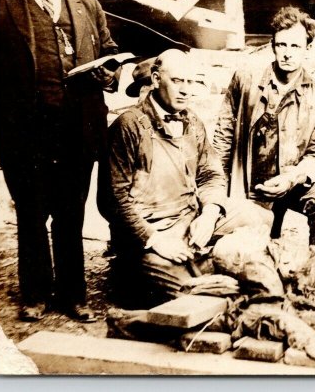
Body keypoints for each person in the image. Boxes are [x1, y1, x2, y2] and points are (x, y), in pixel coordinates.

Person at [0, 0, 120, 322]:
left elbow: (110, 50)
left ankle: (73, 295)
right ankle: (34, 295)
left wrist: (109, 72)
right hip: (24, 133)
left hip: (77, 130)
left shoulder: (87, 5)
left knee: (71, 214)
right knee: (31, 215)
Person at [99, 49, 240, 308]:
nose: (186, 90)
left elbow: (210, 174)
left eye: (192, 82)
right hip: (151, 234)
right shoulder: (128, 126)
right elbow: (112, 199)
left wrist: (209, 214)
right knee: (189, 296)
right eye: (177, 81)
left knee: (254, 219)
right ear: (155, 79)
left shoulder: (192, 122)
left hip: (190, 220)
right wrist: (155, 240)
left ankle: (205, 267)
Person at [212, 6, 315, 246]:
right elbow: (223, 135)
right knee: (251, 249)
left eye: (295, 46)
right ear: (273, 46)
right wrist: (217, 189)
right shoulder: (246, 80)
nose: (287, 54)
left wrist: (292, 178)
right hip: (250, 182)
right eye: (281, 45)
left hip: (293, 181)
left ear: (307, 49)